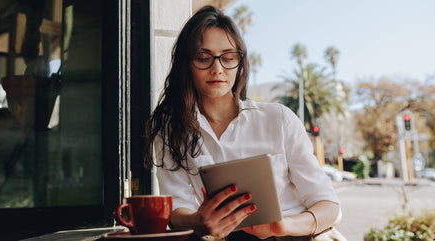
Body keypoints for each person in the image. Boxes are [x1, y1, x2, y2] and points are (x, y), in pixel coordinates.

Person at [145, 5, 342, 241]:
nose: (217, 69)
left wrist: (283, 226)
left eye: (227, 58)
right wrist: (199, 222)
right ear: (186, 65)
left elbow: (330, 207)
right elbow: (177, 207)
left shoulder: (279, 119)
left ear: (239, 64)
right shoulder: (171, 130)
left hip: (296, 235)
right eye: (203, 58)